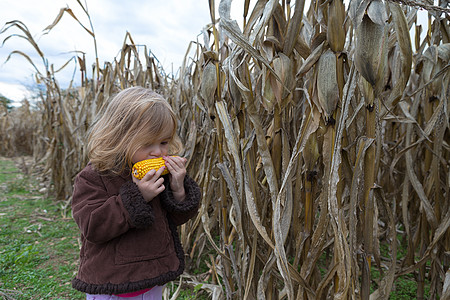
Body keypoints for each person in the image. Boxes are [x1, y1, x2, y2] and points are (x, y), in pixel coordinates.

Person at [71, 86, 201, 299]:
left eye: (164, 142)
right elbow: (92, 226)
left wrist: (178, 189)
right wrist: (137, 196)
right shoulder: (94, 177)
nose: (158, 152)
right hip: (110, 283)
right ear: (119, 137)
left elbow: (176, 218)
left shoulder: (159, 175)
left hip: (151, 279)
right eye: (147, 143)